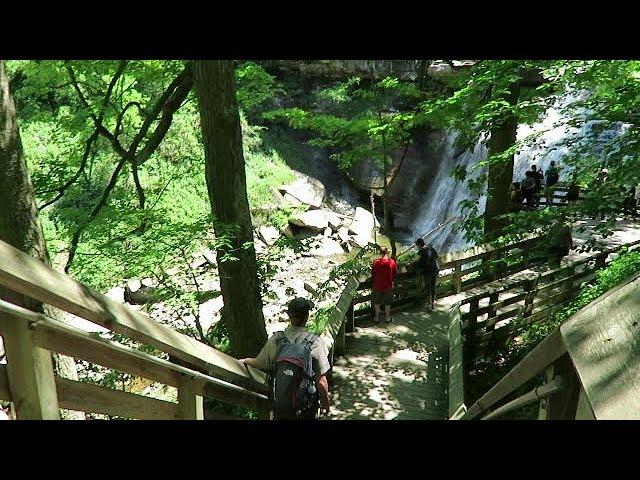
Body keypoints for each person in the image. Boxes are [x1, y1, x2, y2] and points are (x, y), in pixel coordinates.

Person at [240, 298, 331, 420]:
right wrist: (326, 403)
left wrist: (244, 361)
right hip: (305, 407)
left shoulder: (277, 339)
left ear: (289, 316)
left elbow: (259, 363)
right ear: (307, 317)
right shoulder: (315, 342)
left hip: (280, 404)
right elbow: (321, 381)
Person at [371, 246, 398, 324]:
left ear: (380, 253)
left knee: (376, 302)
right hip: (388, 286)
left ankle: (376, 318)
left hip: (377, 285)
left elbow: (373, 273)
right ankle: (387, 318)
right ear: (387, 253)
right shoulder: (392, 262)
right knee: (387, 302)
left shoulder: (376, 262)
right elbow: (395, 273)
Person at [411, 238, 439, 311]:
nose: (417, 247)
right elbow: (436, 257)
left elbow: (416, 260)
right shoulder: (431, 248)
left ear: (419, 245)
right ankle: (433, 303)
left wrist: (409, 264)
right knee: (433, 287)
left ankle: (429, 304)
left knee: (428, 287)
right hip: (435, 270)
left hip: (427, 271)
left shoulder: (421, 251)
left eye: (417, 245)